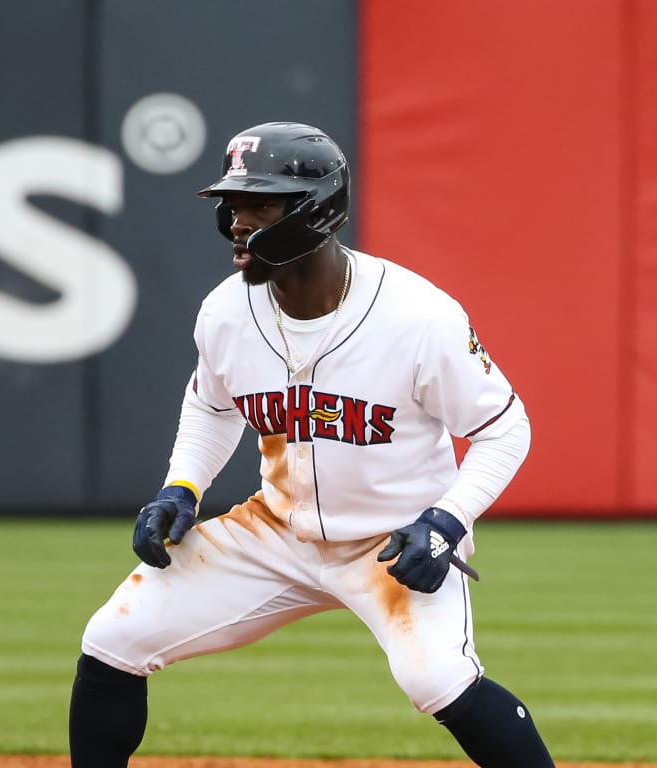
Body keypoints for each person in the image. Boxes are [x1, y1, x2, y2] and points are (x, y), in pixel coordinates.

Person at [68, 122, 555, 768]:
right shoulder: (225, 314)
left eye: (260, 205)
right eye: (233, 205)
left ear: (317, 210)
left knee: (437, 681)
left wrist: (447, 520)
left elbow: (504, 427)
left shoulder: (417, 317)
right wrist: (181, 485)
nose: (239, 223)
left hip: (396, 542)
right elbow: (211, 405)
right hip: (277, 532)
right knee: (113, 638)